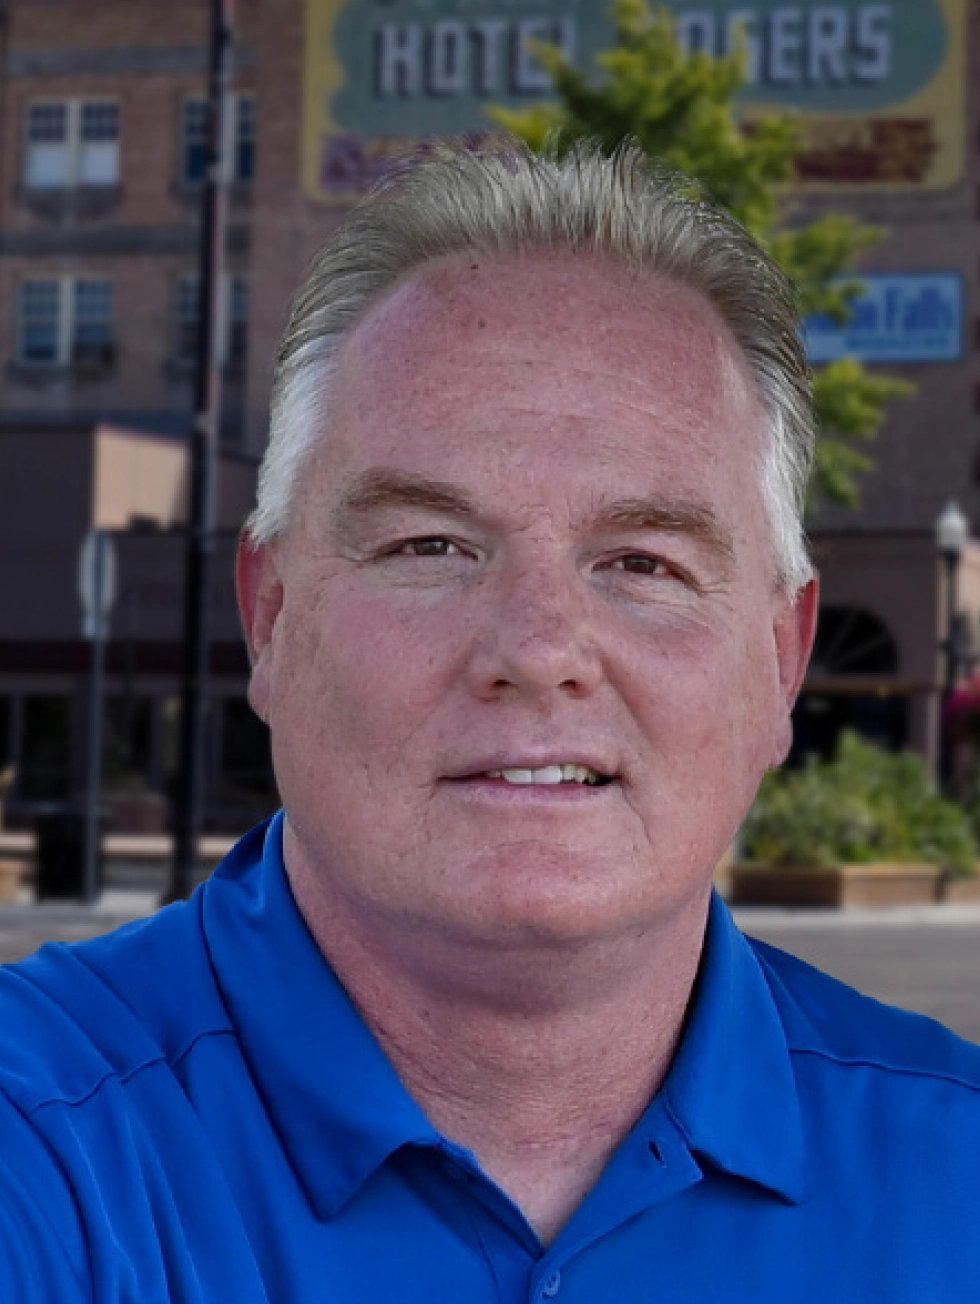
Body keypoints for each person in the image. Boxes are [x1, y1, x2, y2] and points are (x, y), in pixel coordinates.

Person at [2, 138, 979, 1302]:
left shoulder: (956, 1171)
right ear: (270, 616)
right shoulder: (36, 1146)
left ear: (780, 659)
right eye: (430, 546)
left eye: (642, 561)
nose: (539, 651)